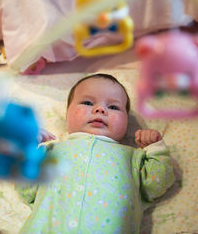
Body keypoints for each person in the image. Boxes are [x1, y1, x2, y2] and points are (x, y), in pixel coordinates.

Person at [16, 73, 175, 234]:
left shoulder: (133, 157)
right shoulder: (51, 151)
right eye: (87, 102)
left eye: (113, 107)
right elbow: (26, 188)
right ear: (67, 114)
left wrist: (155, 148)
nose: (100, 109)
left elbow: (157, 184)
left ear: (127, 121)